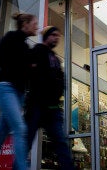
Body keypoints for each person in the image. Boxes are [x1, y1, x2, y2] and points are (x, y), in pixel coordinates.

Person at [0, 13, 38, 170]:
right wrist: (20, 67)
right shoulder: (11, 37)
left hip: (18, 94)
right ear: (25, 24)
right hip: (5, 87)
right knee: (20, 128)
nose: (37, 26)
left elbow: (28, 74)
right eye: (34, 23)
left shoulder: (27, 47)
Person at [25, 26, 74, 169]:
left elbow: (61, 80)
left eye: (58, 35)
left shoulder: (56, 59)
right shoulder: (37, 51)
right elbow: (30, 74)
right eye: (53, 35)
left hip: (53, 109)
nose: (56, 38)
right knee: (26, 142)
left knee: (60, 142)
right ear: (46, 36)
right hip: (36, 106)